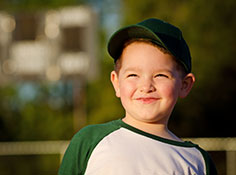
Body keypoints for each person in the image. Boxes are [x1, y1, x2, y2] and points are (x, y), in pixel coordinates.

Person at [58, 18, 217, 175]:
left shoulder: (198, 161)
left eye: (160, 75)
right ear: (117, 83)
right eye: (133, 75)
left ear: (184, 85)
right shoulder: (90, 141)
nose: (146, 87)